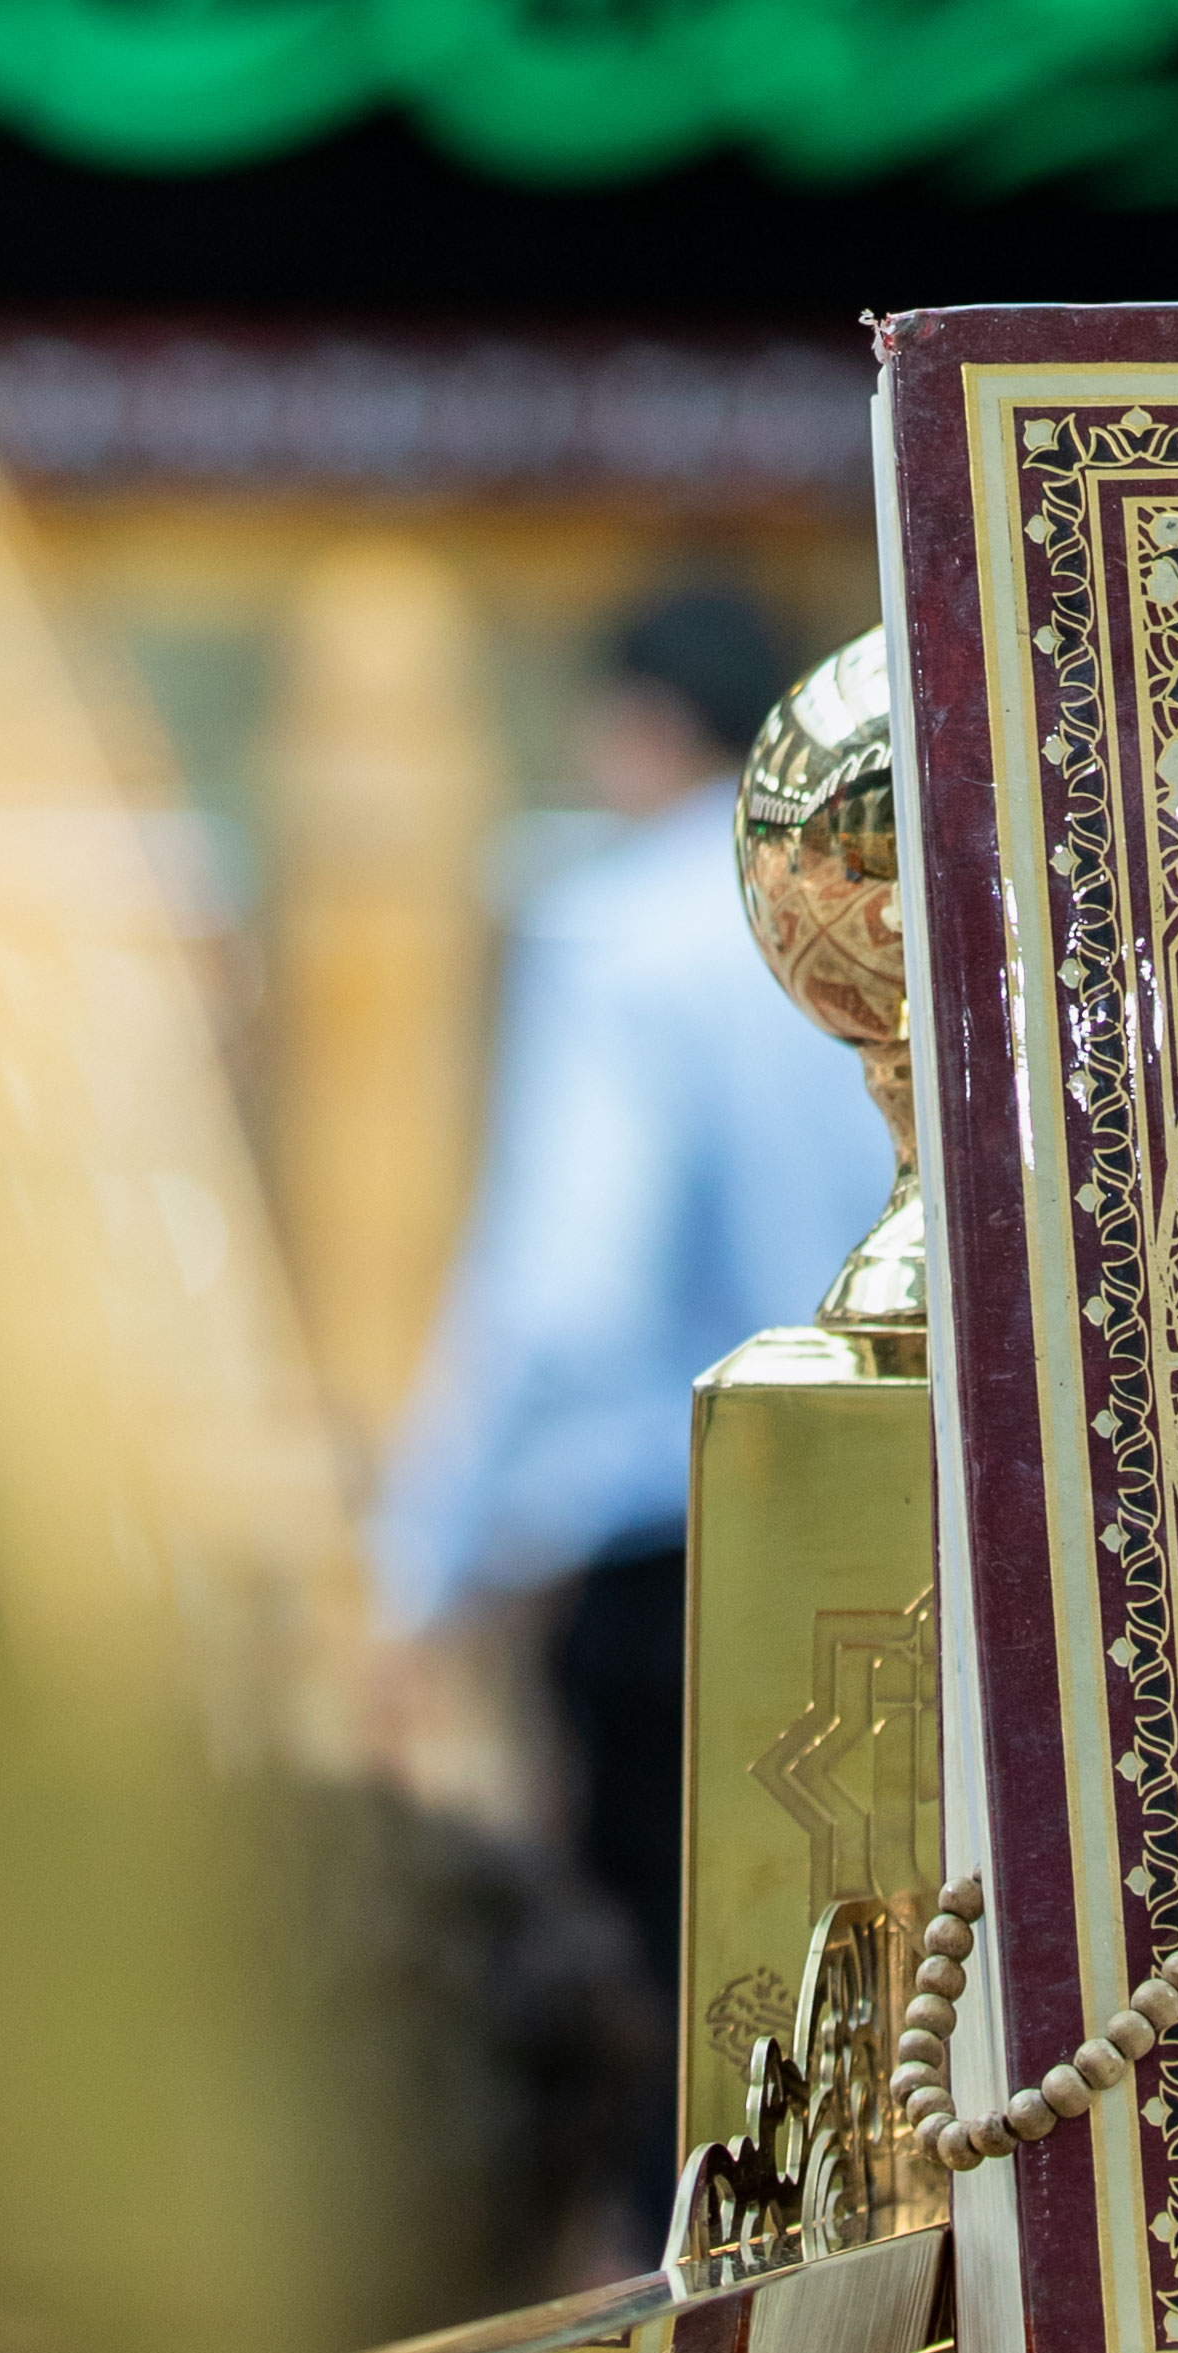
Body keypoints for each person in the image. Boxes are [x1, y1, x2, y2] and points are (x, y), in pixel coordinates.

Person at [372, 588, 887, 2156]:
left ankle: (688, 2307)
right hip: (888, 1532)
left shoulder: (626, 934)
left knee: (673, 2020)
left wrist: (424, 1562)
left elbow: (562, 1294)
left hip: (673, 1553)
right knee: (855, 1997)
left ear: (644, 728)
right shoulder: (892, 924)